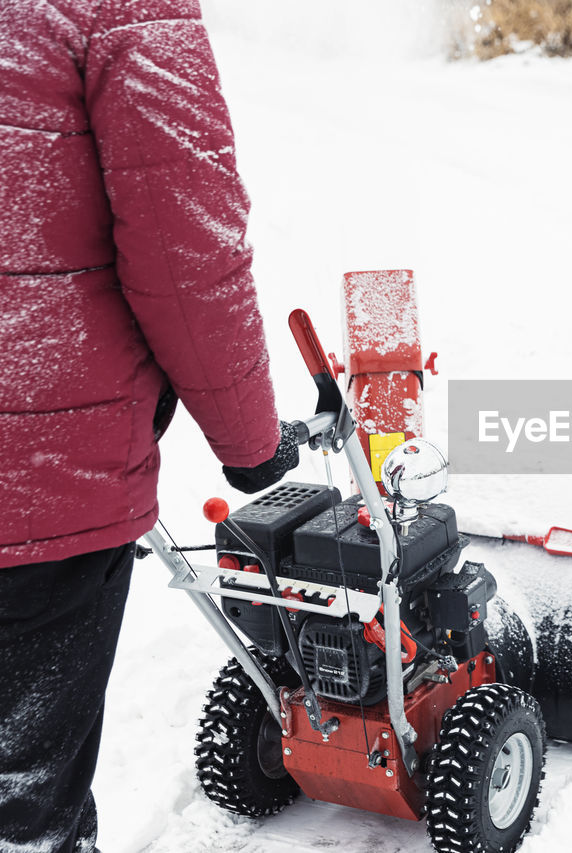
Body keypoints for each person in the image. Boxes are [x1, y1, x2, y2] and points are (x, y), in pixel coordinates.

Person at [0, 1, 297, 850]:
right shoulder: (120, 10)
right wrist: (251, 445)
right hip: (38, 489)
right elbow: (186, 250)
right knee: (22, 808)